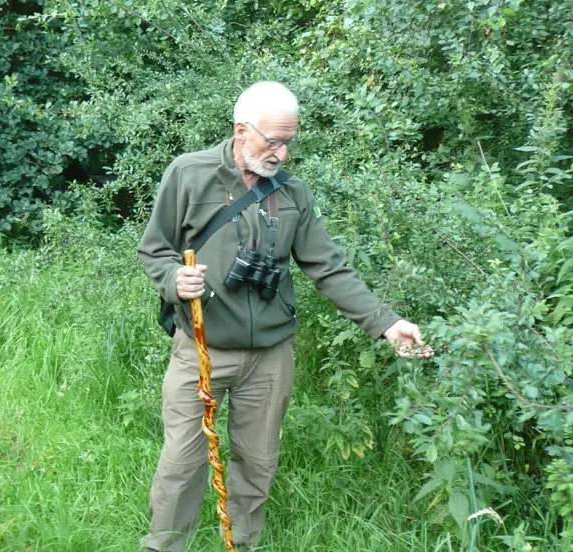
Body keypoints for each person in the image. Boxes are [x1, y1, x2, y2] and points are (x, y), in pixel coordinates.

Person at [137, 81, 433, 551]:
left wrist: (385, 322)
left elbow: (327, 266)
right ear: (240, 131)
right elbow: (155, 249)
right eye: (272, 141)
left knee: (257, 463)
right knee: (182, 463)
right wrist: (173, 280)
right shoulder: (188, 174)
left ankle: (243, 545)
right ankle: (165, 547)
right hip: (201, 350)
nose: (283, 153)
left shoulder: (292, 191)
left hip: (270, 358)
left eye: (289, 141)